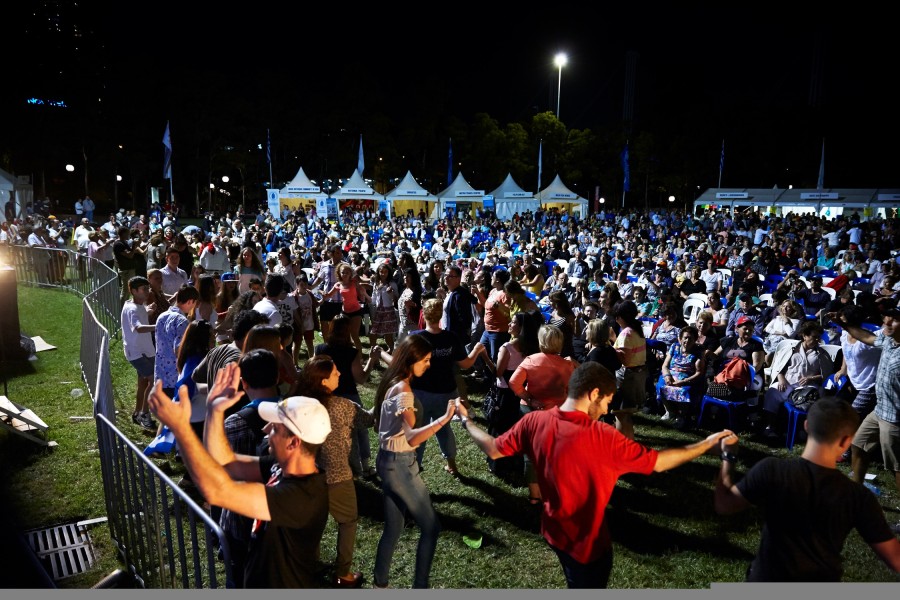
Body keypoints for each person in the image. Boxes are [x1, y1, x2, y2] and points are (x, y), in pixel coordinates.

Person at [455, 361, 735, 589]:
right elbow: (659, 463)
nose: (604, 410)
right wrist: (708, 444)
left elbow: (493, 449)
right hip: (587, 547)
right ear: (593, 393)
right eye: (606, 402)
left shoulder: (533, 420)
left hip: (553, 532)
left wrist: (466, 420)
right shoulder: (602, 436)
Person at [146, 366, 332, 588]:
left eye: (275, 428)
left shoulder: (301, 497)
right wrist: (214, 411)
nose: (266, 429)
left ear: (293, 443)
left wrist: (180, 428)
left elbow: (216, 491)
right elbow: (227, 462)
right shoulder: (282, 466)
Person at [714, 397, 900, 580]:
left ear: (806, 426)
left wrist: (728, 457)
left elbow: (724, 504)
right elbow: (895, 559)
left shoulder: (772, 470)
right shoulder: (857, 497)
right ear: (845, 442)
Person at [371, 334, 457, 589]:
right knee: (431, 528)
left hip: (387, 462)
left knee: (394, 528)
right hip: (400, 465)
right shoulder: (404, 390)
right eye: (426, 360)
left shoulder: (394, 381)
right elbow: (411, 438)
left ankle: (380, 585)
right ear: (412, 360)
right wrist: (446, 417)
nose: (429, 365)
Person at [300, 356, 375, 588]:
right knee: (348, 521)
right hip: (337, 476)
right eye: (334, 373)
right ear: (323, 381)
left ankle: (309, 567)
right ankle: (343, 574)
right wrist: (385, 396)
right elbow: (370, 419)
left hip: (306, 477)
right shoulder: (342, 406)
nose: (340, 374)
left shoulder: (298, 404)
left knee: (312, 526)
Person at [828, 305, 900, 534]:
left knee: (898, 468)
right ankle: (855, 496)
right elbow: (867, 337)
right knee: (859, 445)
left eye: (893, 319)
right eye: (887, 317)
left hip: (896, 419)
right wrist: (843, 324)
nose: (886, 322)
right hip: (880, 410)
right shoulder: (888, 341)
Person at [215, 349, 282, 588]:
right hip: (282, 517)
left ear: (243, 382)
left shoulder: (234, 424)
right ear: (277, 377)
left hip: (241, 521)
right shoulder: (296, 415)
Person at [509, 324, 577, 503]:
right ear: (559, 343)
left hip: (531, 411)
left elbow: (513, 382)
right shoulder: (567, 365)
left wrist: (529, 399)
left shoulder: (531, 360)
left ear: (541, 342)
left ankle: (535, 496)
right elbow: (572, 390)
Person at [315, 315, 381, 478]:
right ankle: (365, 466)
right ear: (348, 331)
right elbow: (361, 378)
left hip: (326, 397)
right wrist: (372, 360)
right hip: (349, 395)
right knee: (361, 430)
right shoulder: (351, 352)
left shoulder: (320, 349)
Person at [762, 320, 834, 439]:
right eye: (814, 337)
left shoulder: (821, 354)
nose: (817, 340)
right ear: (805, 336)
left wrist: (811, 378)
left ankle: (799, 429)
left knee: (807, 398)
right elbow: (778, 367)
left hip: (808, 385)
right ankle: (770, 426)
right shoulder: (791, 349)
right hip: (788, 381)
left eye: (818, 338)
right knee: (772, 393)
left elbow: (827, 375)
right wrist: (781, 378)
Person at [121, 276, 157, 431]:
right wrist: (159, 325)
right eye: (143, 289)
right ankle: (144, 414)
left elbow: (138, 318)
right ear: (134, 291)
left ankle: (137, 413)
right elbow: (138, 327)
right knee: (154, 381)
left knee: (144, 383)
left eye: (148, 288)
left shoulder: (134, 304)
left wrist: (147, 311)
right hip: (137, 353)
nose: (147, 292)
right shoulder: (132, 309)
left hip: (146, 349)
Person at [154, 284, 199, 397]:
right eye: (194, 303)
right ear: (190, 302)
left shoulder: (162, 316)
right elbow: (179, 349)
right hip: (173, 377)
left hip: (160, 374)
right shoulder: (181, 321)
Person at [611, 300, 646, 440]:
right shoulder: (637, 330)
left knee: (619, 412)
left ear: (620, 317)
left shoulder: (626, 333)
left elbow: (625, 359)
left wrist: (611, 348)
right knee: (626, 415)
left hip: (627, 376)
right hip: (637, 373)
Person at [658, 325, 706, 429]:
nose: (687, 340)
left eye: (690, 338)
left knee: (685, 391)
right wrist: (667, 376)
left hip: (687, 377)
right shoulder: (674, 347)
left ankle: (681, 416)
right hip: (671, 374)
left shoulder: (698, 352)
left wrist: (683, 381)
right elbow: (665, 365)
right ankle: (670, 412)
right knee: (661, 385)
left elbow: (699, 372)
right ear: (680, 338)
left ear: (695, 339)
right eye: (685, 337)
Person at [321, 263, 369, 351]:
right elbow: (329, 296)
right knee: (345, 336)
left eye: (347, 272)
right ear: (339, 273)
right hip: (345, 312)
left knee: (354, 335)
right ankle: (348, 355)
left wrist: (366, 296)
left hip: (356, 311)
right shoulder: (338, 285)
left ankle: (360, 357)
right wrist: (324, 295)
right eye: (343, 272)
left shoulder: (354, 282)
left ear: (350, 274)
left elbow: (363, 283)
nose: (345, 274)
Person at [368, 262, 399, 353]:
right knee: (373, 333)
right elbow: (374, 297)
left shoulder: (392, 284)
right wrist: (368, 300)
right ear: (378, 272)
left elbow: (396, 298)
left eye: (385, 272)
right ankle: (373, 350)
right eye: (381, 272)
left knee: (388, 334)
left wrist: (391, 293)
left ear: (388, 273)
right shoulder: (376, 283)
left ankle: (392, 350)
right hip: (378, 311)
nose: (383, 274)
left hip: (388, 311)